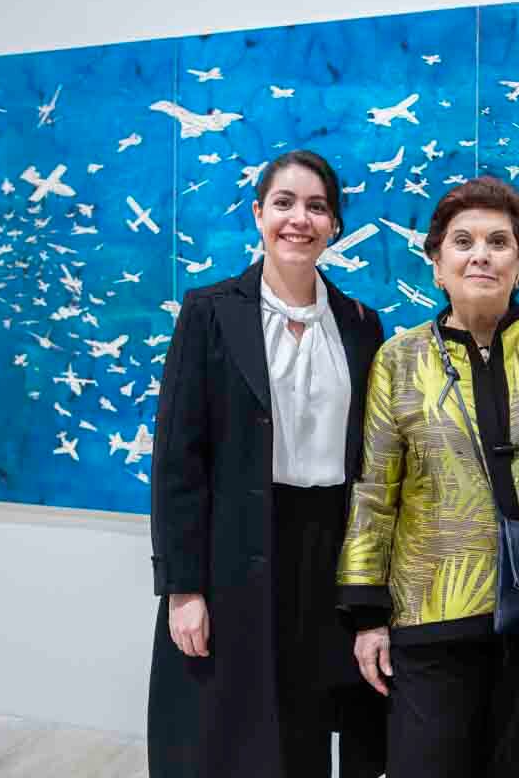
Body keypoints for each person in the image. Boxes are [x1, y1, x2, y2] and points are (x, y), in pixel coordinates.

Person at [336, 176, 519, 778]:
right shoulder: (399, 358)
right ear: (437, 265)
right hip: (432, 619)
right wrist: (366, 614)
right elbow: (374, 490)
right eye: (462, 242)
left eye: (498, 242)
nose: (481, 255)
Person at [147, 150, 386, 777]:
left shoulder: (362, 325)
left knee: (308, 727)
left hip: (329, 555)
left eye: (316, 207)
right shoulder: (209, 312)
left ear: (334, 225)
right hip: (236, 553)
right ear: (258, 213)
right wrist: (183, 588)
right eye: (284, 203)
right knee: (230, 738)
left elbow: (372, 462)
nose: (299, 219)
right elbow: (177, 462)